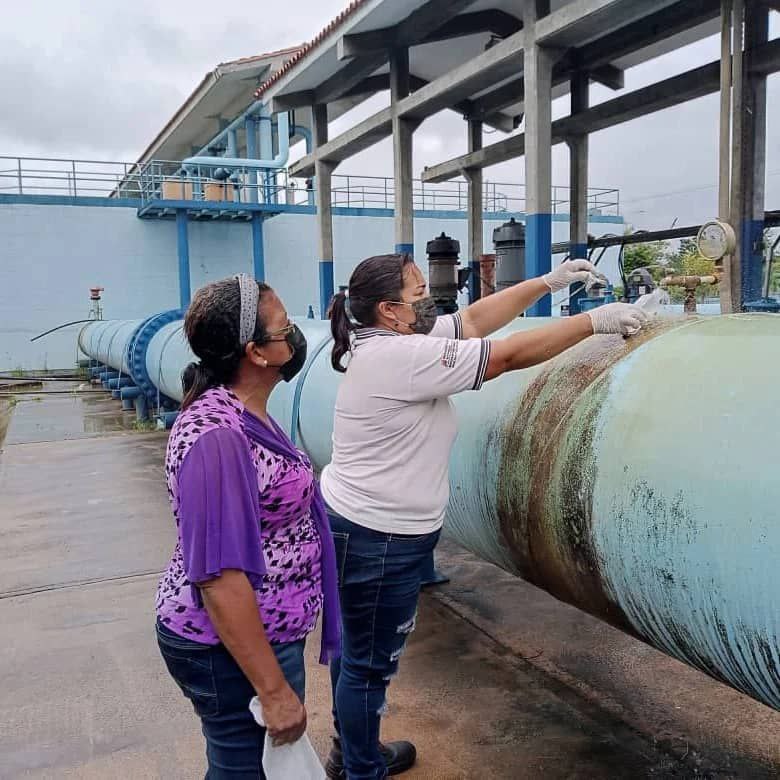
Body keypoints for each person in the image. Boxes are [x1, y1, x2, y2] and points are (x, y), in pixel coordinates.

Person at [321, 254, 648, 780]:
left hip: (360, 524)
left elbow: (472, 322)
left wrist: (544, 283)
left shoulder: (389, 340)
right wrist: (595, 321)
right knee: (368, 662)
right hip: (379, 537)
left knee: (357, 651)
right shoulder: (400, 358)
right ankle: (361, 769)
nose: (428, 297)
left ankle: (353, 751)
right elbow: (502, 357)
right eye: (417, 291)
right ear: (388, 309)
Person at [155, 274, 341, 778]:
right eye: (285, 328)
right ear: (256, 354)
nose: (296, 337)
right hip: (230, 647)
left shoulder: (242, 413)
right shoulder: (218, 439)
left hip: (259, 633)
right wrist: (274, 691)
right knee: (244, 769)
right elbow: (218, 577)